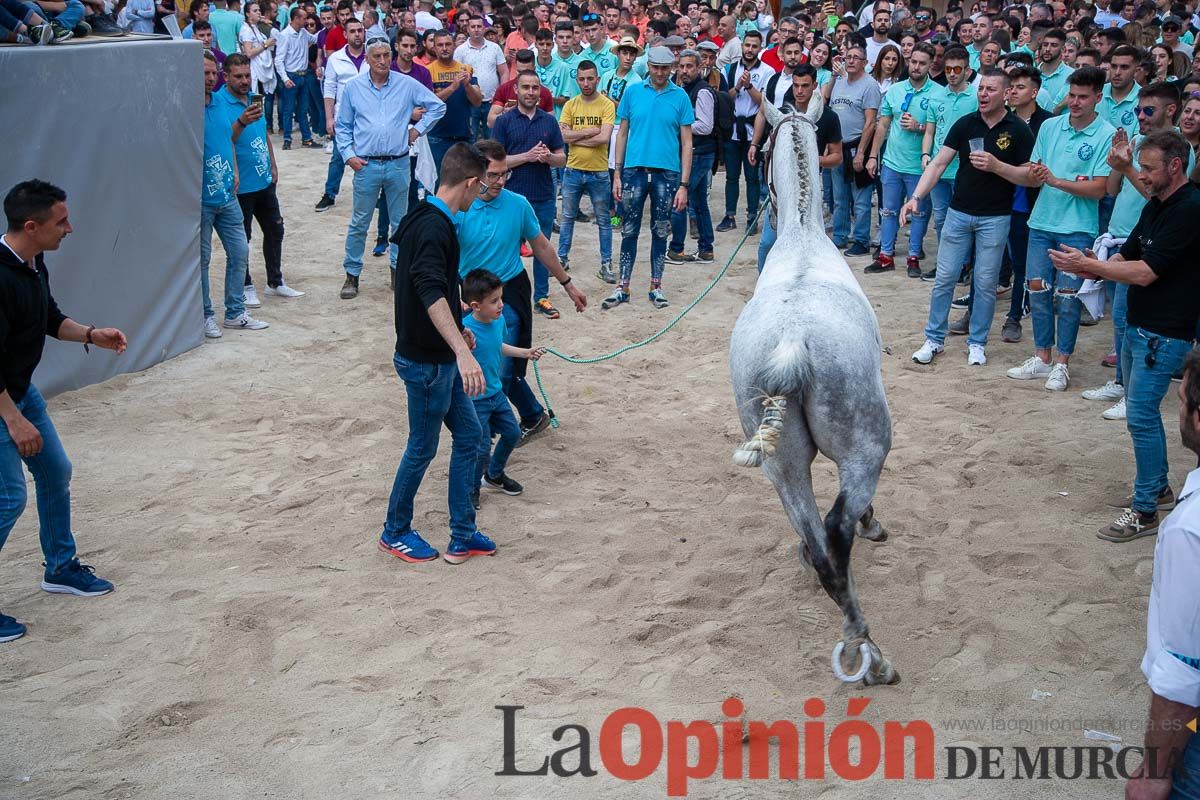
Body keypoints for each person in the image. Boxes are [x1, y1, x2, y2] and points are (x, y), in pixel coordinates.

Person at [1046, 131, 1200, 541]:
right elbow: (1127, 255)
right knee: (1140, 415)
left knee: (1142, 417)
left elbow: (1146, 272)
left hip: (1165, 333)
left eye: (1148, 168)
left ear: (1175, 166)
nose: (1142, 177)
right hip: (1140, 325)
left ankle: (1146, 508)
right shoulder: (1158, 205)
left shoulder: (1189, 209)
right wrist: (1089, 264)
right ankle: (1160, 488)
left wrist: (1094, 269)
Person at [0, 180, 129, 643]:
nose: (69, 228)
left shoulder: (34, 262)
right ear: (31, 226)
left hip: (20, 392)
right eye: (62, 221)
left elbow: (51, 318)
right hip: (3, 401)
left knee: (55, 472)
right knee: (8, 498)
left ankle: (60, 568)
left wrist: (92, 335)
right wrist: (13, 420)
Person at [380, 142, 493, 566]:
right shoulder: (433, 227)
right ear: (468, 183)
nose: (479, 194)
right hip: (427, 364)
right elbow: (428, 290)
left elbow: (434, 287)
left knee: (470, 436)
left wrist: (459, 330)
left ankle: (462, 532)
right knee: (422, 448)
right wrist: (459, 352)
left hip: (436, 358)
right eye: (479, 186)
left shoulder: (430, 217)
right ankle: (395, 531)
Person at [454, 139, 586, 445]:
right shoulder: (460, 206)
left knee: (500, 365)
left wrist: (567, 284)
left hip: (508, 293)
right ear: (474, 174)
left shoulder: (518, 205)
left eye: (504, 174)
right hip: (469, 294)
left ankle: (493, 427)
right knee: (480, 361)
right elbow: (445, 253)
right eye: (492, 175)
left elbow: (540, 245)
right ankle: (530, 414)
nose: (499, 181)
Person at [906, 68, 1034, 367]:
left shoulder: (1018, 129)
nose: (984, 94)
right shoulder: (965, 123)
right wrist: (915, 198)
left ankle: (977, 342)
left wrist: (997, 166)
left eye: (991, 89)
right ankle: (933, 339)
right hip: (959, 213)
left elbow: (1031, 177)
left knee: (986, 282)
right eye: (981, 89)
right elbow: (938, 164)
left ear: (1006, 94)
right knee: (945, 279)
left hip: (996, 217)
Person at [1001, 67, 1113, 392]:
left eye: (1082, 97)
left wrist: (1056, 181)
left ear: (1097, 98)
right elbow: (1033, 172)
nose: (1075, 102)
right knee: (1036, 290)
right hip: (1042, 221)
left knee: (1067, 299)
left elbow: (1100, 188)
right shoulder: (1050, 126)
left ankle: (1062, 363)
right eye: (1072, 95)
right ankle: (1042, 357)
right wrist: (1013, 171)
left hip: (1077, 227)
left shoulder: (1105, 133)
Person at [1082, 81, 1187, 422]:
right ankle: (1121, 383)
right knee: (1121, 321)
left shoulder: (1176, 152)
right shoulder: (1139, 146)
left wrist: (1128, 167)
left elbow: (1158, 201)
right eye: (1137, 110)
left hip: (1150, 246)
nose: (1140, 116)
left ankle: (1131, 393)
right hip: (1123, 235)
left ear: (1170, 110)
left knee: (1132, 321)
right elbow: (1112, 190)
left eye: (1148, 110)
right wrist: (1118, 163)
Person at [1122, 348, 1200, 798]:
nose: (1178, 408)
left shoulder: (1190, 529)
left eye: (1183, 398)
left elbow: (1185, 668)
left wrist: (1154, 770)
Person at [335, 38, 446, 299]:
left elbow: (437, 106)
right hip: (367, 164)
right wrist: (349, 155)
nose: (383, 61)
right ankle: (352, 274)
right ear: (368, 59)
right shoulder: (353, 88)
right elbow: (343, 127)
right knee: (360, 221)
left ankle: (398, 272)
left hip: (398, 162)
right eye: (377, 57)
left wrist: (417, 131)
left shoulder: (406, 84)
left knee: (401, 222)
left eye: (386, 55)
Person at [605, 45, 693, 311]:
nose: (659, 72)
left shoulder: (680, 97)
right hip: (634, 170)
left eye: (665, 68)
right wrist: (617, 173)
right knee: (629, 229)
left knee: (660, 230)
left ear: (672, 68)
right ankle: (623, 285)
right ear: (649, 66)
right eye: (655, 67)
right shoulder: (633, 92)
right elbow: (621, 133)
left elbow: (687, 143)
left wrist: (684, 185)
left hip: (667, 173)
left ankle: (656, 285)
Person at [218, 54, 305, 307]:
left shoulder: (254, 98)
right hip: (240, 186)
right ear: (227, 77)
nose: (245, 81)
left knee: (275, 230)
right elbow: (226, 140)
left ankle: (275, 282)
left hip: (264, 181)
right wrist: (242, 121)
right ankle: (245, 285)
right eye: (239, 77)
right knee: (241, 239)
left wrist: (273, 164)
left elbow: (264, 133)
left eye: (247, 75)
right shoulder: (220, 103)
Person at [460, 268, 546, 509]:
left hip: (496, 394)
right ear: (476, 306)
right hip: (475, 400)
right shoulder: (465, 331)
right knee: (480, 447)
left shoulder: (498, 323)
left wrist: (525, 353)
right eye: (494, 301)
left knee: (512, 433)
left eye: (501, 299)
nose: (501, 305)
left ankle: (494, 475)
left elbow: (499, 347)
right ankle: (471, 489)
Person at [749, 63, 843, 272]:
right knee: (766, 244)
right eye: (796, 85)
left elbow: (837, 156)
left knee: (814, 244)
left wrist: (807, 160)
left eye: (805, 86)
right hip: (781, 191)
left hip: (809, 190)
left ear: (814, 86)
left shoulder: (828, 117)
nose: (799, 91)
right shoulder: (782, 113)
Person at [201, 51, 268, 337]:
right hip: (200, 198)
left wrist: (235, 170)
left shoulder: (217, 102)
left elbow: (227, 138)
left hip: (227, 194)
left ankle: (235, 312)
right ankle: (204, 314)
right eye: (204, 73)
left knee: (239, 252)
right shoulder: (185, 107)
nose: (210, 77)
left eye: (213, 72)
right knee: (202, 261)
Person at [865, 42, 947, 277]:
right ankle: (885, 256)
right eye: (914, 62)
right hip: (891, 162)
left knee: (919, 213)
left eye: (923, 63)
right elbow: (882, 125)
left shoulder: (939, 94)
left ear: (931, 65)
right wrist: (873, 156)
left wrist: (919, 127)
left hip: (920, 166)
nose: (917, 67)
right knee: (888, 211)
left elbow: (939, 131)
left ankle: (913, 256)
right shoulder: (895, 89)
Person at [491, 70, 567, 319]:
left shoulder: (549, 121)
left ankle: (542, 297)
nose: (531, 92)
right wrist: (528, 156)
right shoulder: (504, 121)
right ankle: (503, 297)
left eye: (535, 88)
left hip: (543, 194)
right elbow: (495, 162)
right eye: (526, 87)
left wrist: (549, 158)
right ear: (516, 90)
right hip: (511, 196)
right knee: (507, 249)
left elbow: (562, 158)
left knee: (543, 248)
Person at [558, 61, 616, 279]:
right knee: (567, 217)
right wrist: (590, 131)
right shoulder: (571, 105)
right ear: (577, 80)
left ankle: (606, 264)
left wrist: (577, 135)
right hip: (573, 169)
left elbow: (604, 138)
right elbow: (562, 136)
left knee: (603, 220)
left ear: (597, 79)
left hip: (599, 171)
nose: (586, 83)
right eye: (582, 79)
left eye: (590, 78)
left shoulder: (606, 105)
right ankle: (562, 258)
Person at [827, 41, 882, 256]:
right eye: (847, 57)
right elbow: (831, 114)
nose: (850, 61)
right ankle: (839, 237)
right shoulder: (840, 82)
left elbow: (870, 123)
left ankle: (861, 239)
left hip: (858, 147)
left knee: (861, 200)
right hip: (838, 147)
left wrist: (861, 153)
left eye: (855, 58)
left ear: (865, 63)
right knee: (839, 198)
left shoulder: (870, 86)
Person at [715, 29, 773, 234]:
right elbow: (724, 99)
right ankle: (729, 215)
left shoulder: (767, 72)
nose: (749, 49)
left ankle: (751, 217)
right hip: (732, 130)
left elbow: (764, 104)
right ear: (742, 46)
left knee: (752, 177)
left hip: (753, 130)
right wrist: (738, 86)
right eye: (747, 45)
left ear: (760, 47)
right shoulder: (729, 70)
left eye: (754, 46)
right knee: (731, 176)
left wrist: (749, 87)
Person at [921, 45, 978, 250]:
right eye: (948, 69)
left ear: (967, 71)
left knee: (964, 221)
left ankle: (963, 264)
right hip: (939, 168)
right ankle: (946, 261)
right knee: (940, 219)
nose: (952, 74)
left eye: (957, 69)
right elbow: (930, 131)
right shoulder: (936, 97)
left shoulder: (976, 97)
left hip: (965, 170)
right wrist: (925, 154)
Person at [667, 48, 718, 267]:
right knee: (698, 202)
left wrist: (680, 126)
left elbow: (706, 126)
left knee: (680, 197)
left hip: (699, 153)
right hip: (696, 152)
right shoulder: (684, 89)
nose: (685, 70)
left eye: (689, 66)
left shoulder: (702, 91)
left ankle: (677, 249)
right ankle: (706, 248)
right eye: (682, 66)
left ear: (699, 68)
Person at [314, 17, 367, 213]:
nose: (356, 34)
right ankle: (330, 194)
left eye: (359, 31)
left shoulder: (371, 57)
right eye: (352, 31)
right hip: (343, 117)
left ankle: (371, 194)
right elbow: (329, 90)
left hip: (368, 118)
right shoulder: (335, 59)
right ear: (345, 34)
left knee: (369, 156)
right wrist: (329, 118)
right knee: (338, 157)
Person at [427, 29, 483, 174]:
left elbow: (477, 101)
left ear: (454, 46)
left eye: (447, 44)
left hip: (463, 135)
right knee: (439, 180)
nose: (444, 48)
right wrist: (452, 87)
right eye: (440, 45)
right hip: (437, 136)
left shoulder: (466, 69)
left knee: (463, 178)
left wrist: (467, 85)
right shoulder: (427, 71)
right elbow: (429, 103)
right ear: (434, 47)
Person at [454, 14, 508, 140]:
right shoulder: (460, 51)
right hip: (469, 102)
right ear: (467, 29)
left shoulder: (495, 48)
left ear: (484, 28)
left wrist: (501, 95)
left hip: (492, 102)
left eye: (479, 26)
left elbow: (504, 72)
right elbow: (456, 76)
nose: (476, 29)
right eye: (473, 26)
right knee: (471, 138)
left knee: (493, 138)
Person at [273, 6, 319, 149]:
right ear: (297, 18)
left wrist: (326, 30)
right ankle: (287, 138)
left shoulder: (303, 32)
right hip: (292, 76)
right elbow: (279, 60)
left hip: (303, 75)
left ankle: (306, 138)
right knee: (288, 109)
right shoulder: (285, 35)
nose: (306, 21)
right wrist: (285, 79)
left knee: (303, 109)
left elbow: (315, 38)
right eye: (304, 18)